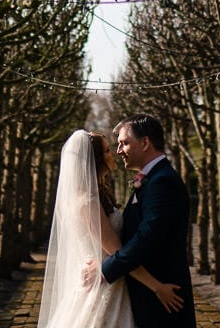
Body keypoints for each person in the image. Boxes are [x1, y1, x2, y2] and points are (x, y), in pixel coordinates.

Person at [37, 129, 183, 328]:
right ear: (95, 160)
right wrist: (157, 287)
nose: (113, 153)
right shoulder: (87, 202)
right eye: (107, 151)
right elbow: (118, 251)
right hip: (105, 287)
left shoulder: (97, 195)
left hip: (111, 278)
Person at [101, 114, 197, 328]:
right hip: (147, 295)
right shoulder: (151, 179)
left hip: (163, 299)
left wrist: (105, 269)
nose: (119, 151)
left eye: (124, 143)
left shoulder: (163, 182)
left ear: (145, 143)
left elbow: (147, 237)